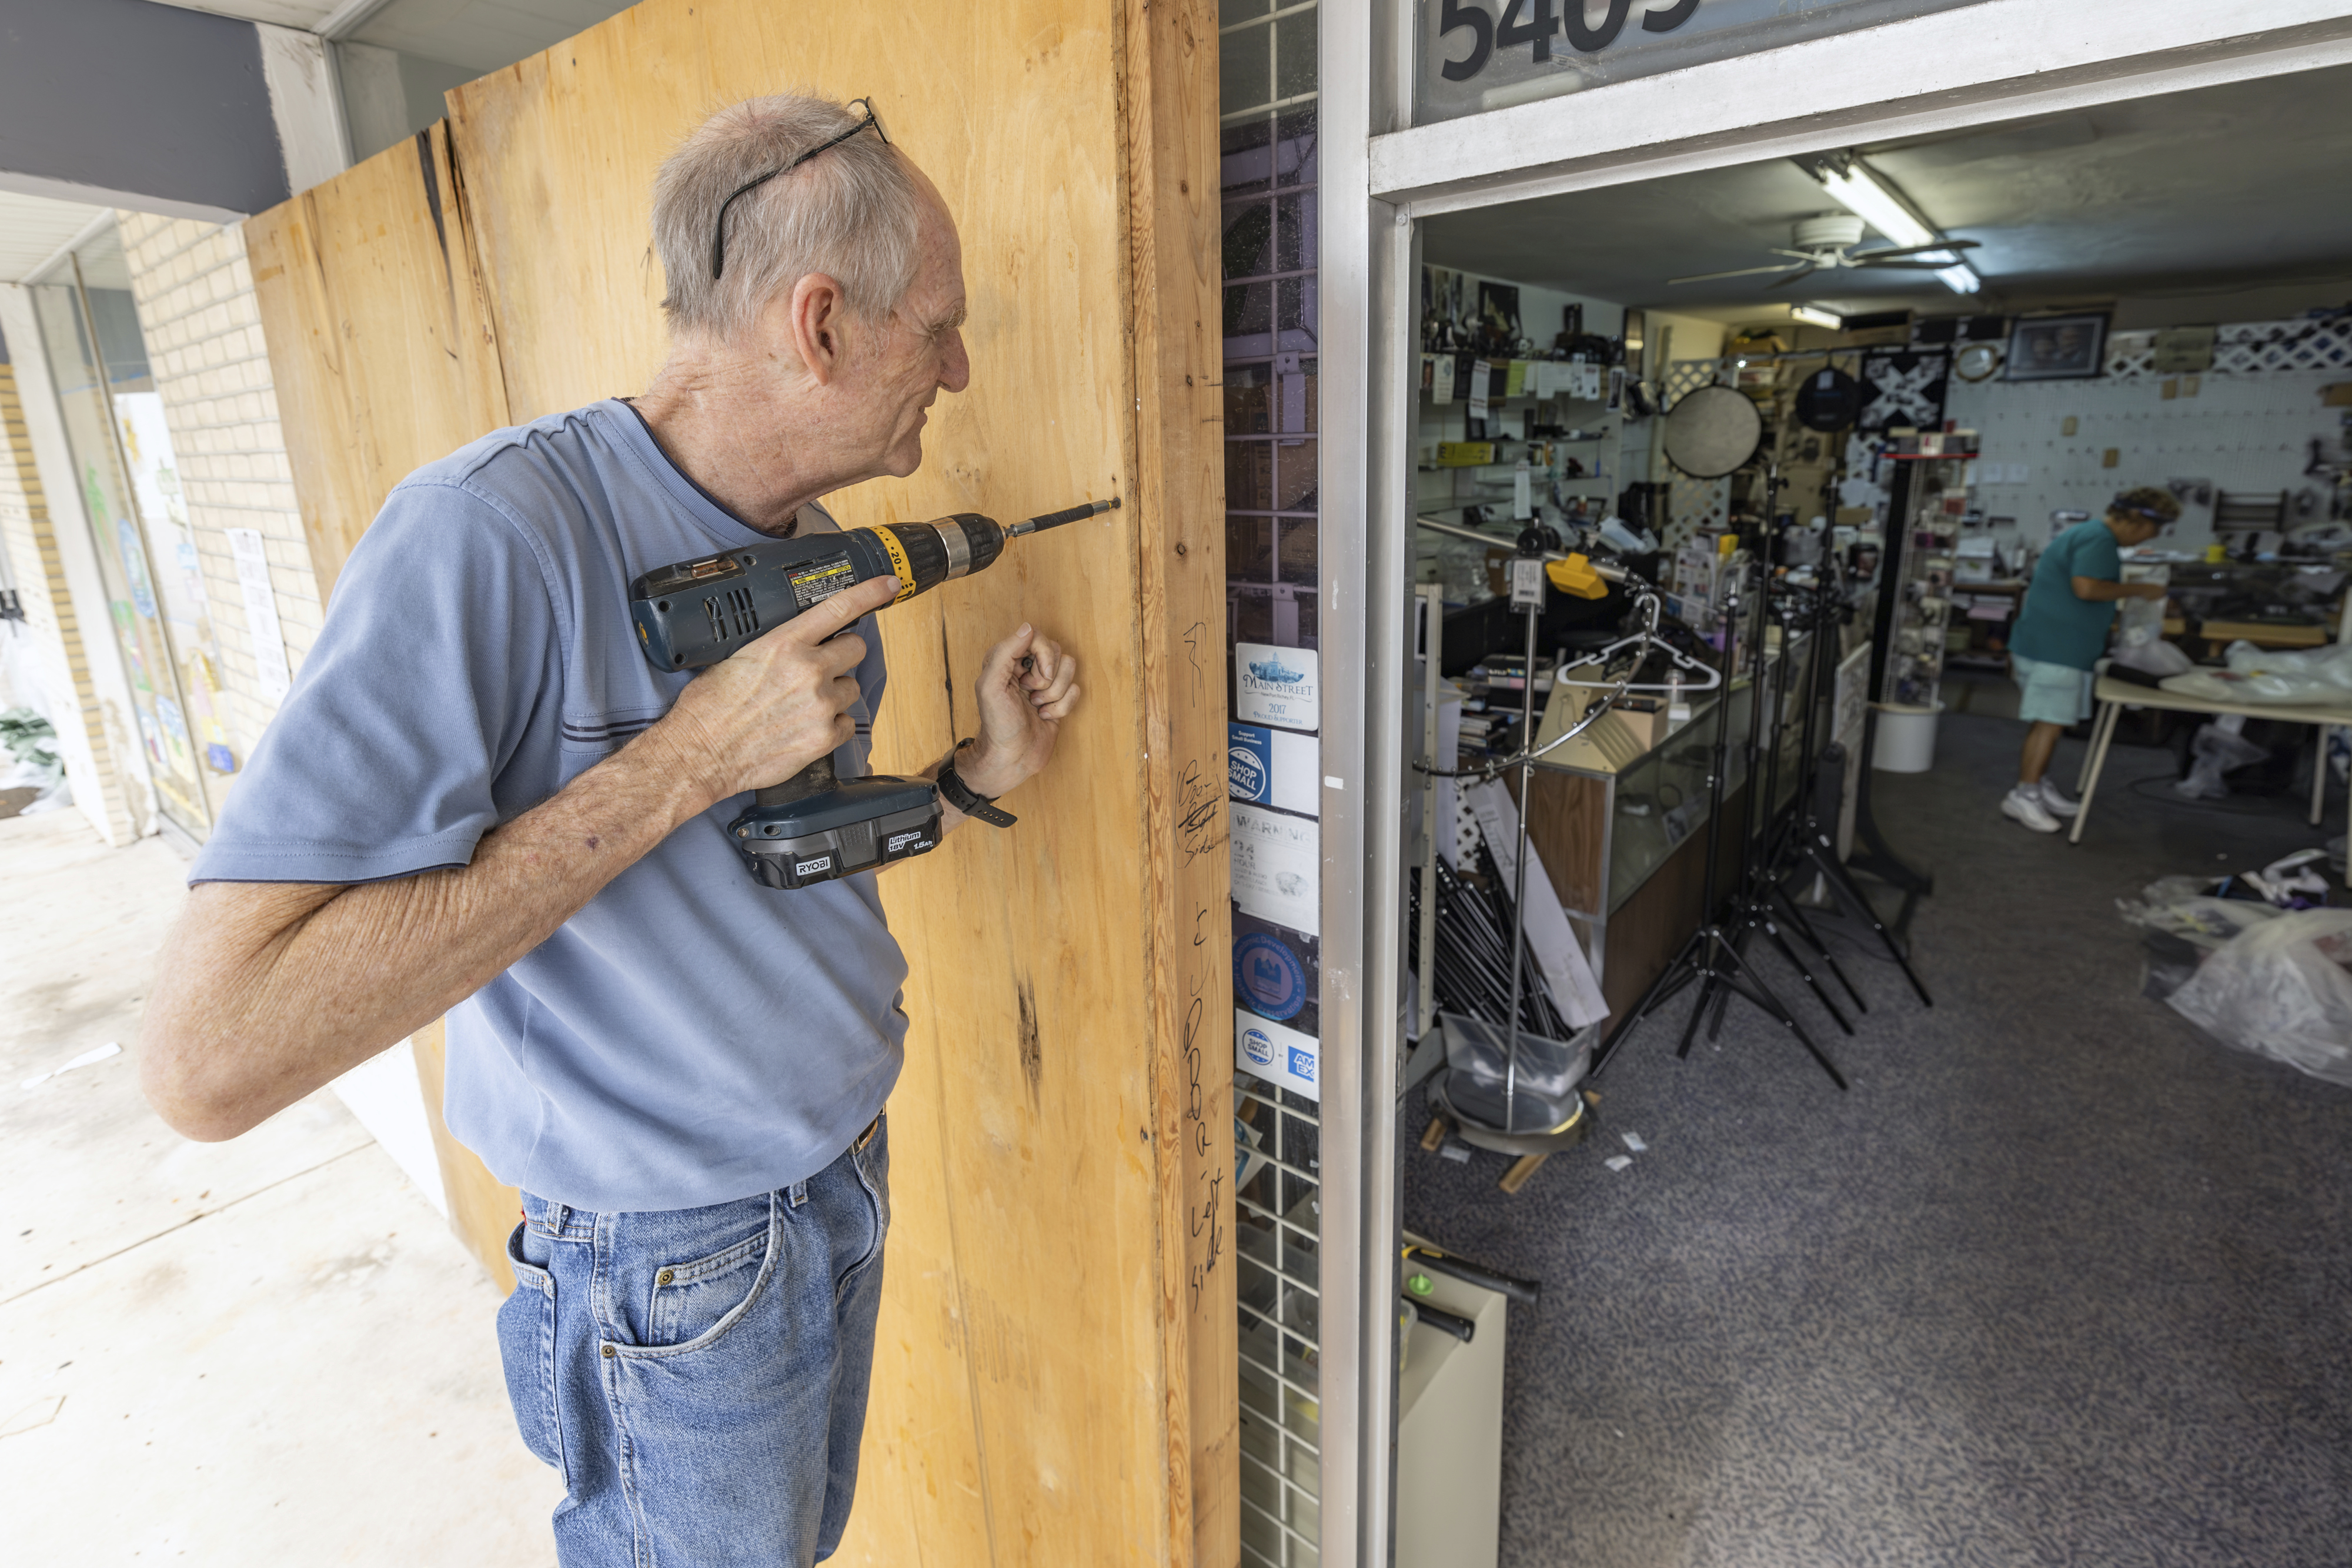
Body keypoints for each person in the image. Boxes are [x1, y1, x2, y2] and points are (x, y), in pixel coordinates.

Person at [137, 95, 1081, 1566]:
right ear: (819, 323)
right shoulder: (489, 537)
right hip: (667, 1260)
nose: (957, 369)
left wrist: (968, 776)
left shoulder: (816, 555)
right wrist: (680, 761)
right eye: (938, 329)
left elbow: (777, 867)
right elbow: (208, 1059)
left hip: (831, 1183)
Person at [2001, 486, 2180, 831]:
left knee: (2050, 724)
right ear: (2139, 520)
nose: (2154, 537)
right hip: (2057, 650)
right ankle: (2024, 794)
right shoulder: (2099, 540)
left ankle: (2037, 783)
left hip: (2055, 646)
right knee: (2048, 725)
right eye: (2155, 529)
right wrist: (2141, 589)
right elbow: (2086, 588)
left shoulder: (2091, 535)